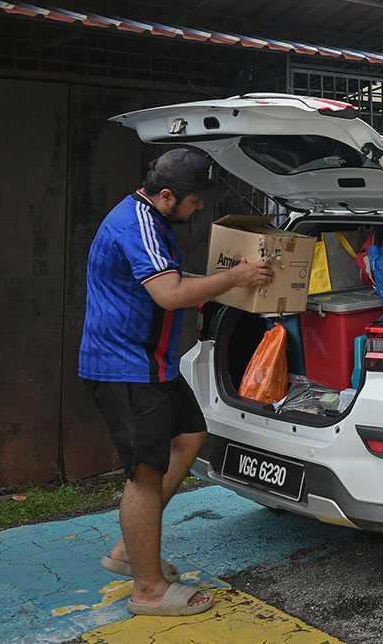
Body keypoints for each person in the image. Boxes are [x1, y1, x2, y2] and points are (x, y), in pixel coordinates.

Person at [79, 149, 273, 617]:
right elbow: (168, 295)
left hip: (155, 365)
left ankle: (130, 550)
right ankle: (147, 590)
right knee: (144, 477)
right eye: (194, 202)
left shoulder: (151, 219)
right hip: (127, 368)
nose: (199, 208)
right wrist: (235, 276)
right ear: (167, 195)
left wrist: (224, 283)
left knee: (190, 437)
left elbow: (171, 277)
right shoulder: (138, 224)